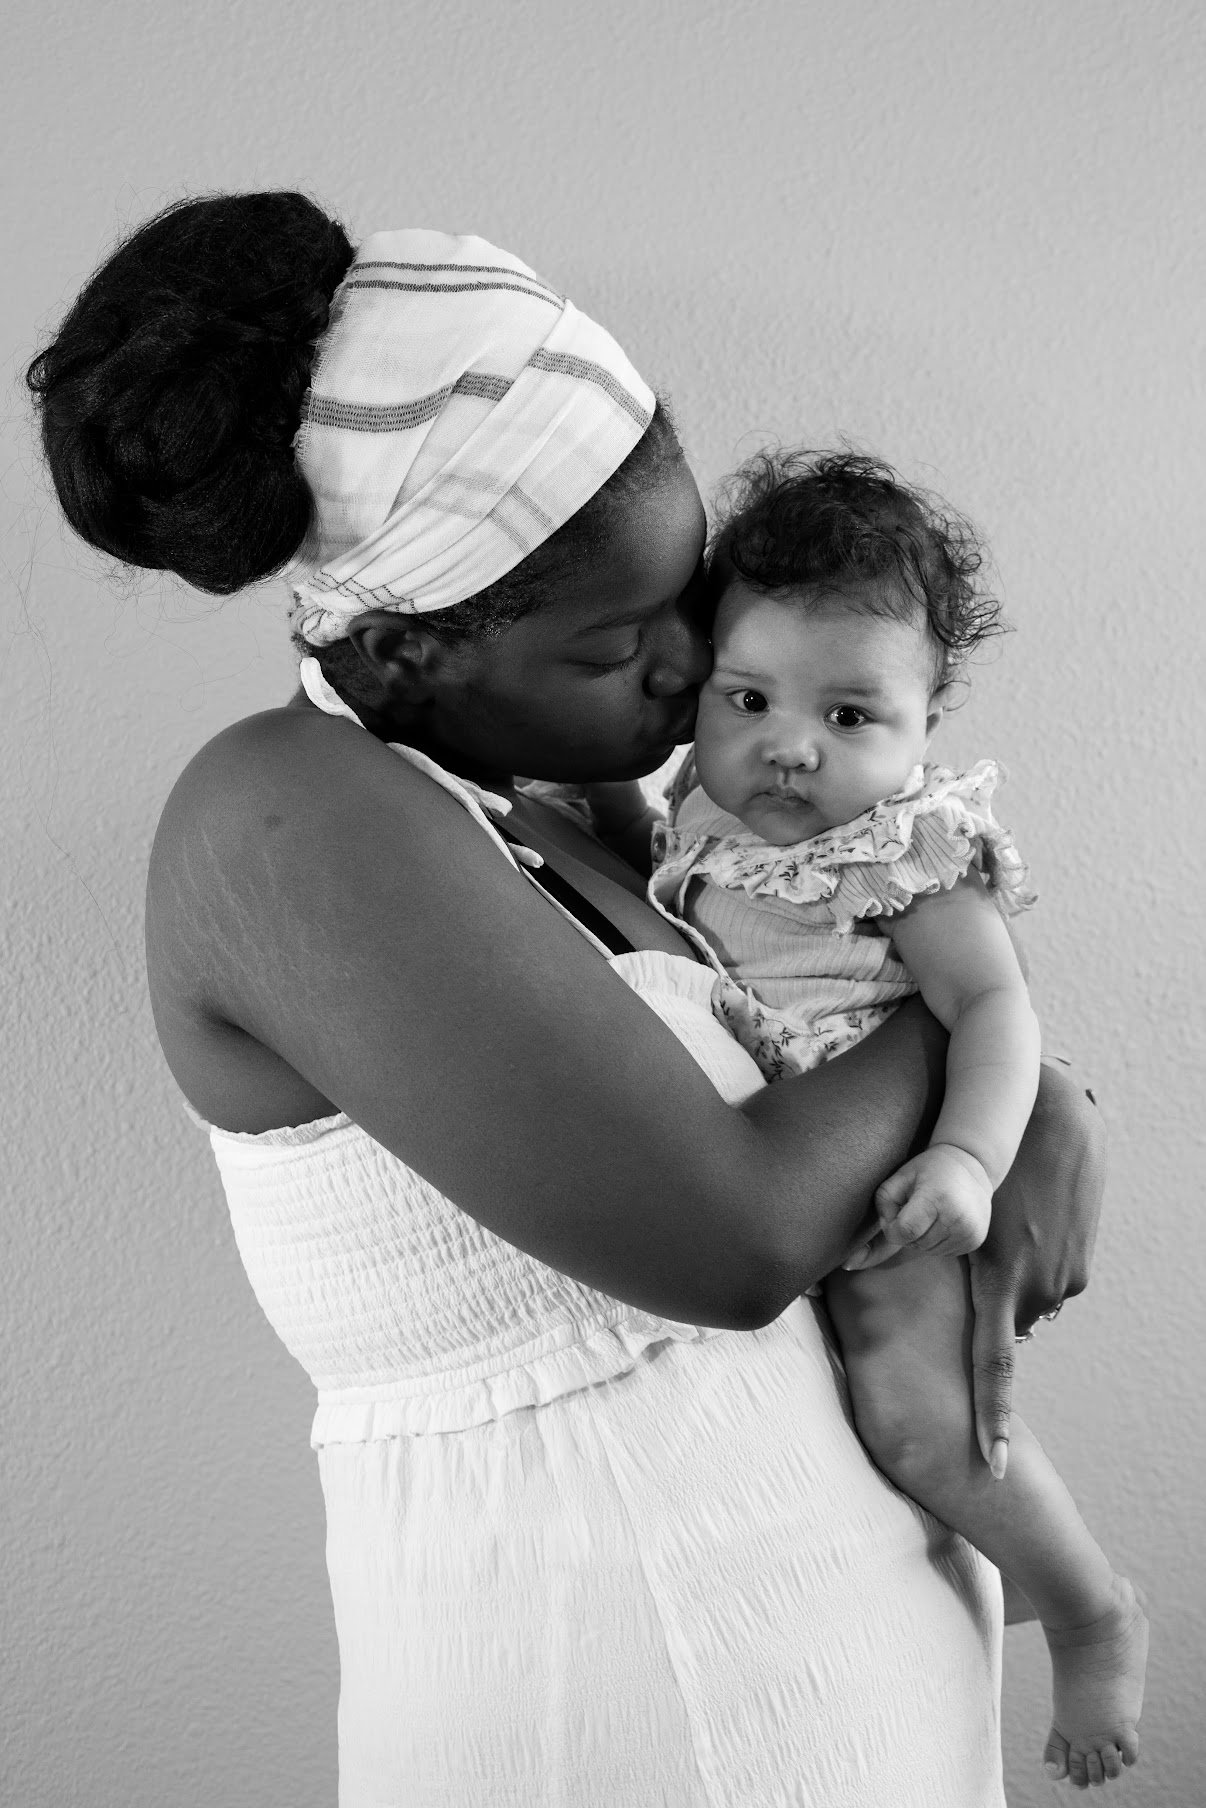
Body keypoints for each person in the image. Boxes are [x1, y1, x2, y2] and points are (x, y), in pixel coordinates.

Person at [27, 191, 1107, 1806]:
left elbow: (811, 1021)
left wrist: (1019, 1081)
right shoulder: (278, 813)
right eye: (622, 644)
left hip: (839, 1670)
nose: (690, 669)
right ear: (399, 654)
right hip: (618, 1701)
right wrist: (974, 1032)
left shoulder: (564, 820)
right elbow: (732, 1237)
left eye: (687, 602)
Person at [607, 449, 1146, 1788]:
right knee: (846, 1430)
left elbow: (996, 1012)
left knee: (916, 1420)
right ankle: (992, 1558)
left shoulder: (901, 851)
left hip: (907, 1186)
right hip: (797, 1183)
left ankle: (1086, 1605)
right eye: (751, 698)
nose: (789, 743)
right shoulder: (704, 817)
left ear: (922, 727)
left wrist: (966, 1161)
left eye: (851, 715)